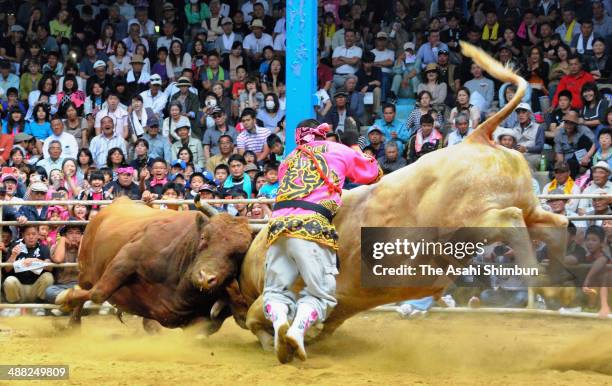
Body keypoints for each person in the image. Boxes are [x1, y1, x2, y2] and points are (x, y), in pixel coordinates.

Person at [263, 119, 381, 363]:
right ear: (321, 133)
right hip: (312, 226)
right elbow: (372, 173)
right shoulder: (338, 150)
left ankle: (280, 323)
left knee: (275, 292)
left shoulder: (289, 159)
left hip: (277, 227)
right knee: (321, 295)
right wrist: (354, 146)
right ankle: (297, 330)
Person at [1, 225, 54, 309]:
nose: (31, 237)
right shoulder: (15, 246)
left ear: (38, 235)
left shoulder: (43, 247)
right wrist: (13, 256)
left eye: (33, 234)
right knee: (9, 280)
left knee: (48, 277)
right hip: (19, 289)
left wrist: (35, 261)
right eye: (28, 234)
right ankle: (14, 308)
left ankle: (39, 306)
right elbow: (6, 269)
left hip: (36, 289)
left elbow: (50, 267)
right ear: (23, 236)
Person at [44, 221, 83, 306]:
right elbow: (58, 259)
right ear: (65, 235)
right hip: (62, 287)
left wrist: (82, 242)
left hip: (81, 286)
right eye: (70, 233)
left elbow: (82, 261)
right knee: (49, 292)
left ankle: (66, 306)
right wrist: (62, 240)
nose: (74, 236)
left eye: (78, 233)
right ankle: (76, 302)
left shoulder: (86, 247)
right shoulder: (56, 246)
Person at [512, 102, 545, 171]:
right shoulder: (514, 129)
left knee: (525, 163)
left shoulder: (538, 127)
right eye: (518, 113)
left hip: (532, 155)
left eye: (523, 112)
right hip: (517, 156)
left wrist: (526, 149)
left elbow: (540, 147)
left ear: (529, 114)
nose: (521, 115)